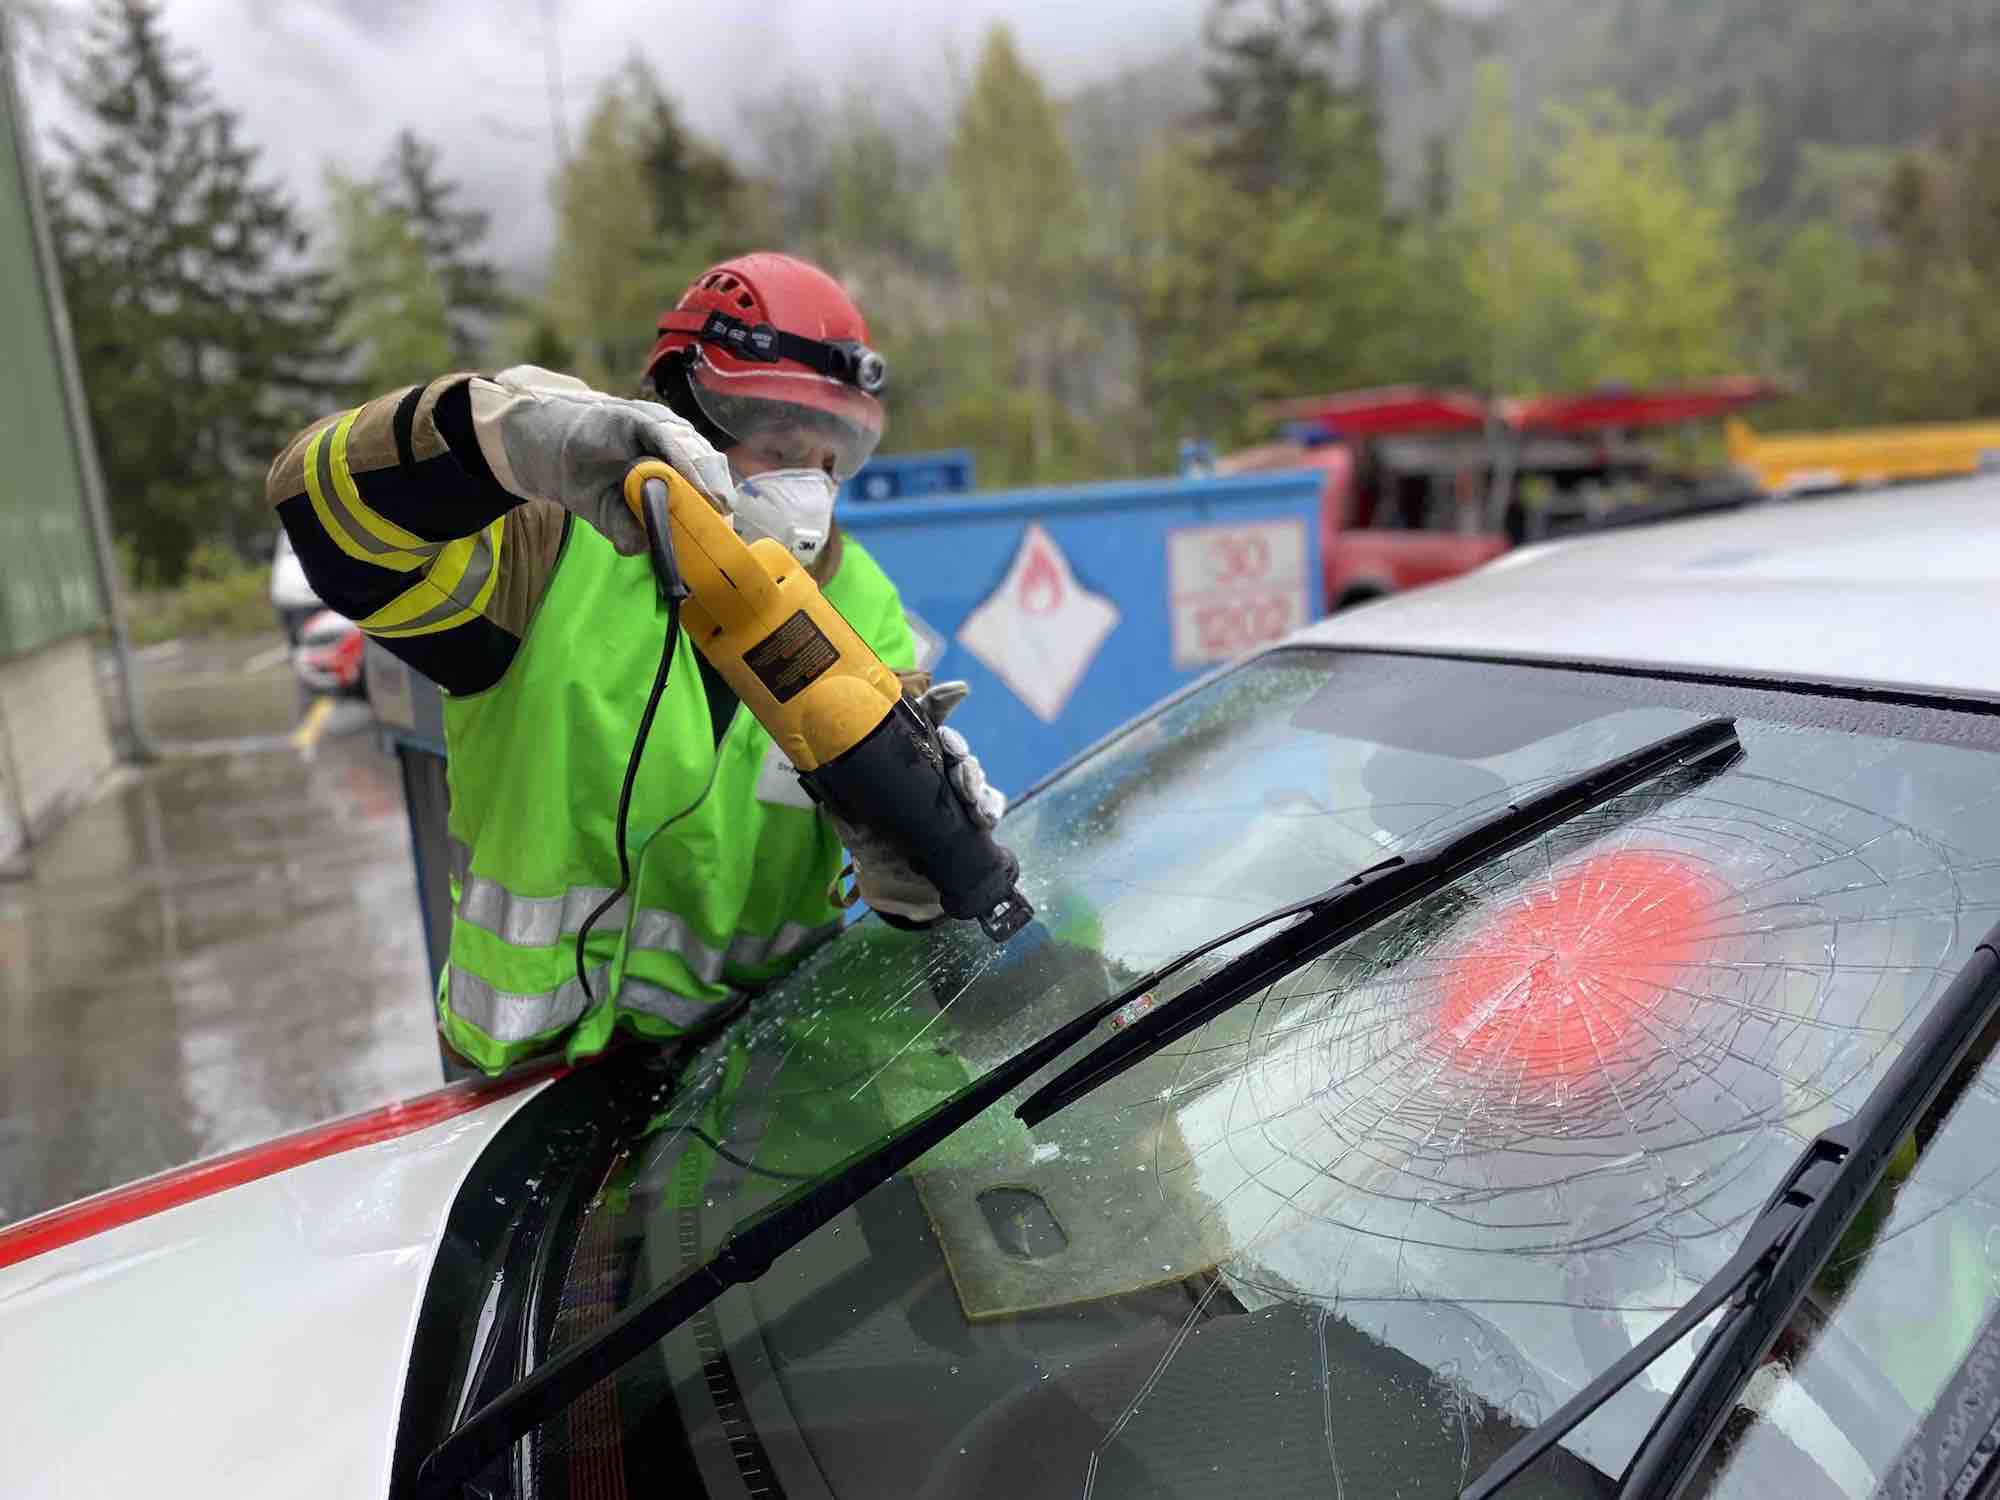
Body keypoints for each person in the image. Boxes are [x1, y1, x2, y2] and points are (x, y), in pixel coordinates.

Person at [267, 252, 1002, 1074]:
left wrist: (914, 880)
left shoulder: (865, 610)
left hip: (765, 1084)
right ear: (685, 410)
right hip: (527, 1090)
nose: (809, 487)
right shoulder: (543, 553)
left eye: (833, 457)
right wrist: (497, 442)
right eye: (779, 443)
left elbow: (901, 880)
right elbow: (325, 512)